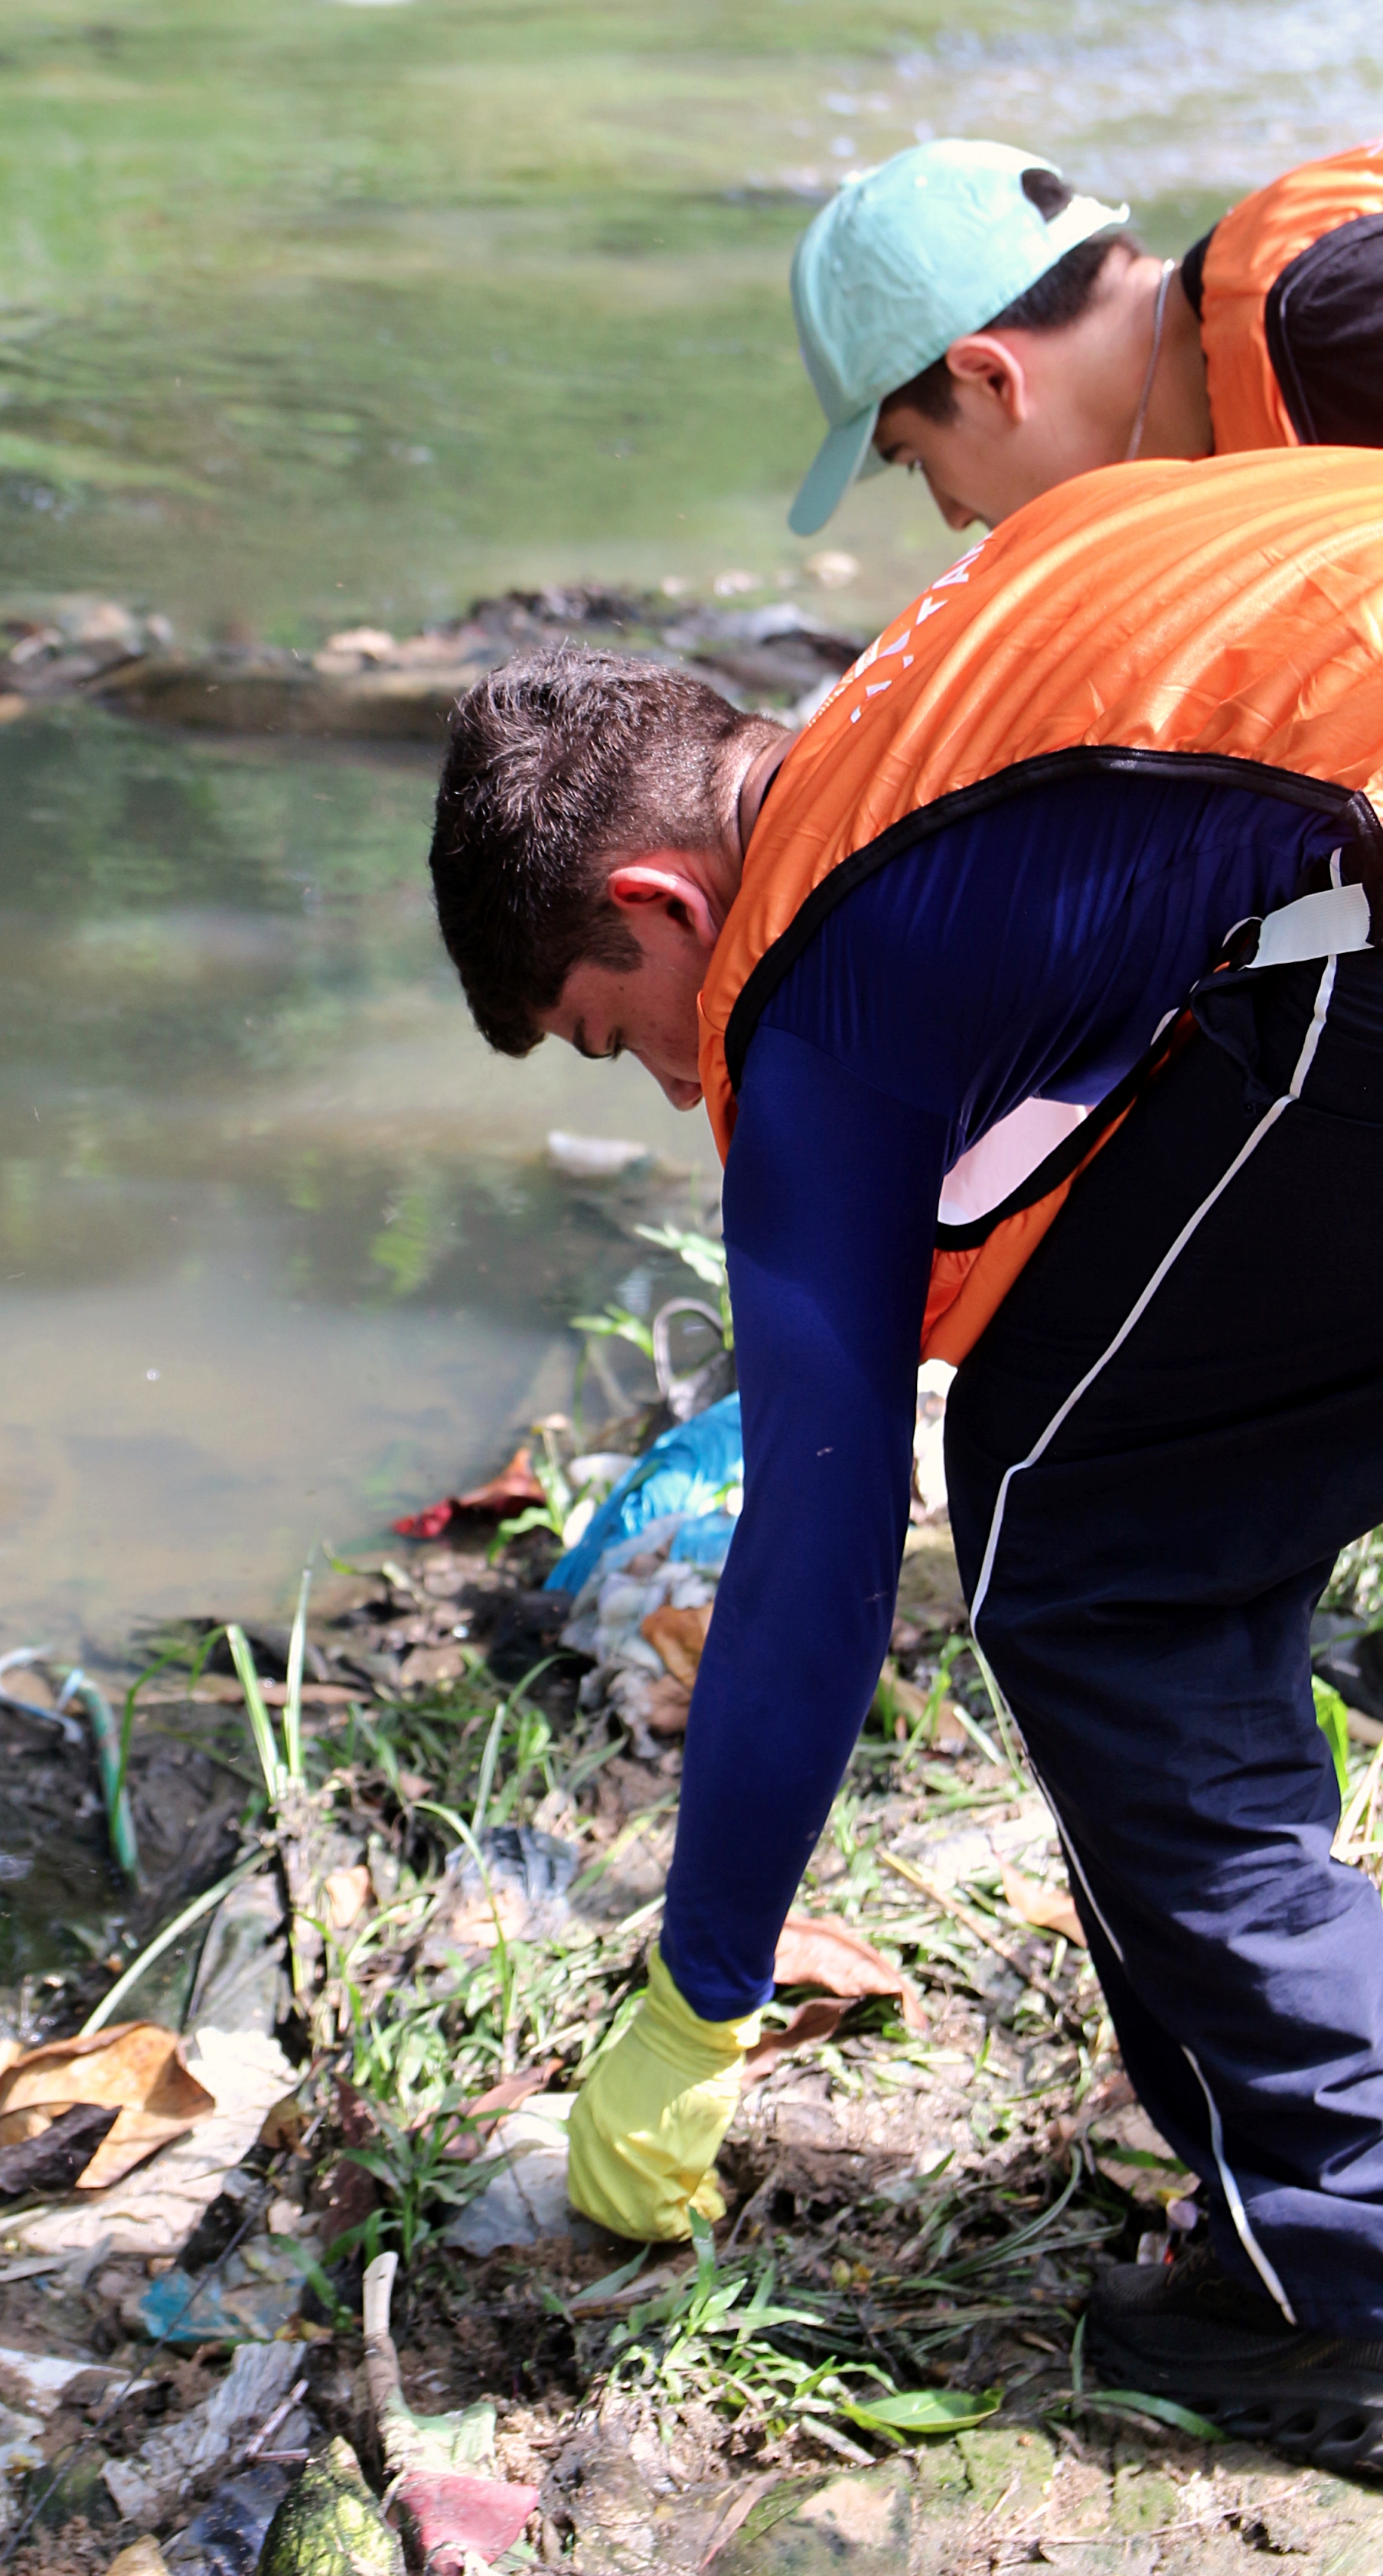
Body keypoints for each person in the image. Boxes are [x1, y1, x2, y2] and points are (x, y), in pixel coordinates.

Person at [429, 447, 1383, 2467]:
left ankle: (1353, 2253)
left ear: (656, 903)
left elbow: (817, 1548)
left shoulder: (808, 984)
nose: (672, 1081)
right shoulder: (958, 650)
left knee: (1084, 1556)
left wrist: (694, 2003)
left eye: (614, 1028)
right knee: (1128, 1453)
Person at [787, 135, 1383, 536]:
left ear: (990, 378)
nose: (954, 516)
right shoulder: (1270, 314)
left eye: (916, 461)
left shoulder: (1330, 323)